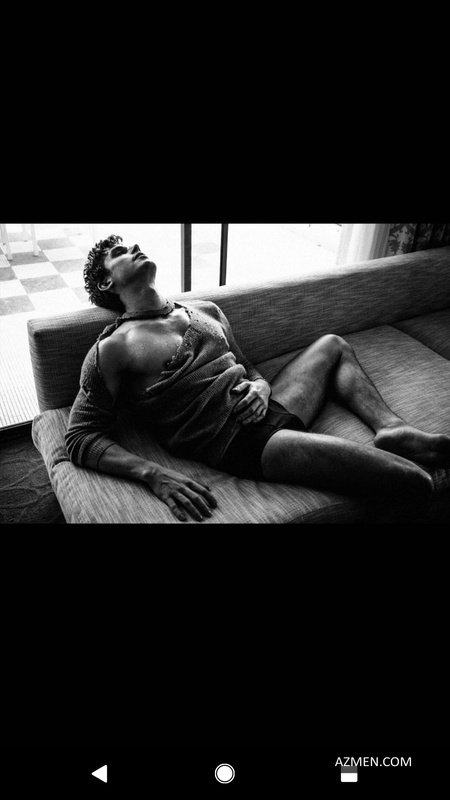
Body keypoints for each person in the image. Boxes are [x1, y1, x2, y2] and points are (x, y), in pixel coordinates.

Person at [65, 234, 450, 522]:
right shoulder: (114, 347)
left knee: (332, 344)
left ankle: (390, 427)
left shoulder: (205, 311)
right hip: (242, 442)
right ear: (107, 283)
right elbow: (80, 437)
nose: (134, 247)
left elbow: (247, 367)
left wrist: (262, 386)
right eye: (120, 252)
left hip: (270, 406)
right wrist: (153, 474)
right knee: (417, 483)